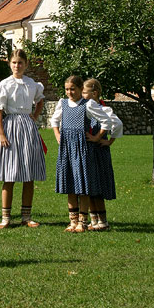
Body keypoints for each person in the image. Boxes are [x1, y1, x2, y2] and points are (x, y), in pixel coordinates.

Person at [0, 49, 46, 229]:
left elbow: (40, 100)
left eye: (20, 63)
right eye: (14, 63)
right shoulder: (4, 84)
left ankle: (26, 216)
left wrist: (34, 116)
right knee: (9, 174)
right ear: (9, 64)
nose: (17, 66)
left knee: (29, 174)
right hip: (10, 126)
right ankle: (5, 217)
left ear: (26, 64)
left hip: (27, 127)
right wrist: (1, 133)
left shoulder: (32, 84)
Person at [51, 75, 113, 233]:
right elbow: (54, 121)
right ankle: (72, 222)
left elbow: (106, 121)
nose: (69, 92)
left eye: (73, 89)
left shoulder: (88, 104)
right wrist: (58, 136)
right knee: (70, 185)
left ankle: (83, 222)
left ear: (80, 89)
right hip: (67, 149)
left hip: (82, 149)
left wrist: (97, 137)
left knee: (82, 186)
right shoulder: (63, 103)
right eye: (67, 89)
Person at [83, 78, 123, 231]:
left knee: (97, 187)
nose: (83, 95)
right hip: (89, 151)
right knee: (90, 187)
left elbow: (117, 124)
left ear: (95, 93)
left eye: (85, 93)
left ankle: (103, 221)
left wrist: (106, 141)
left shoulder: (103, 109)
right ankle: (94, 221)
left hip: (98, 151)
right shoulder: (86, 107)